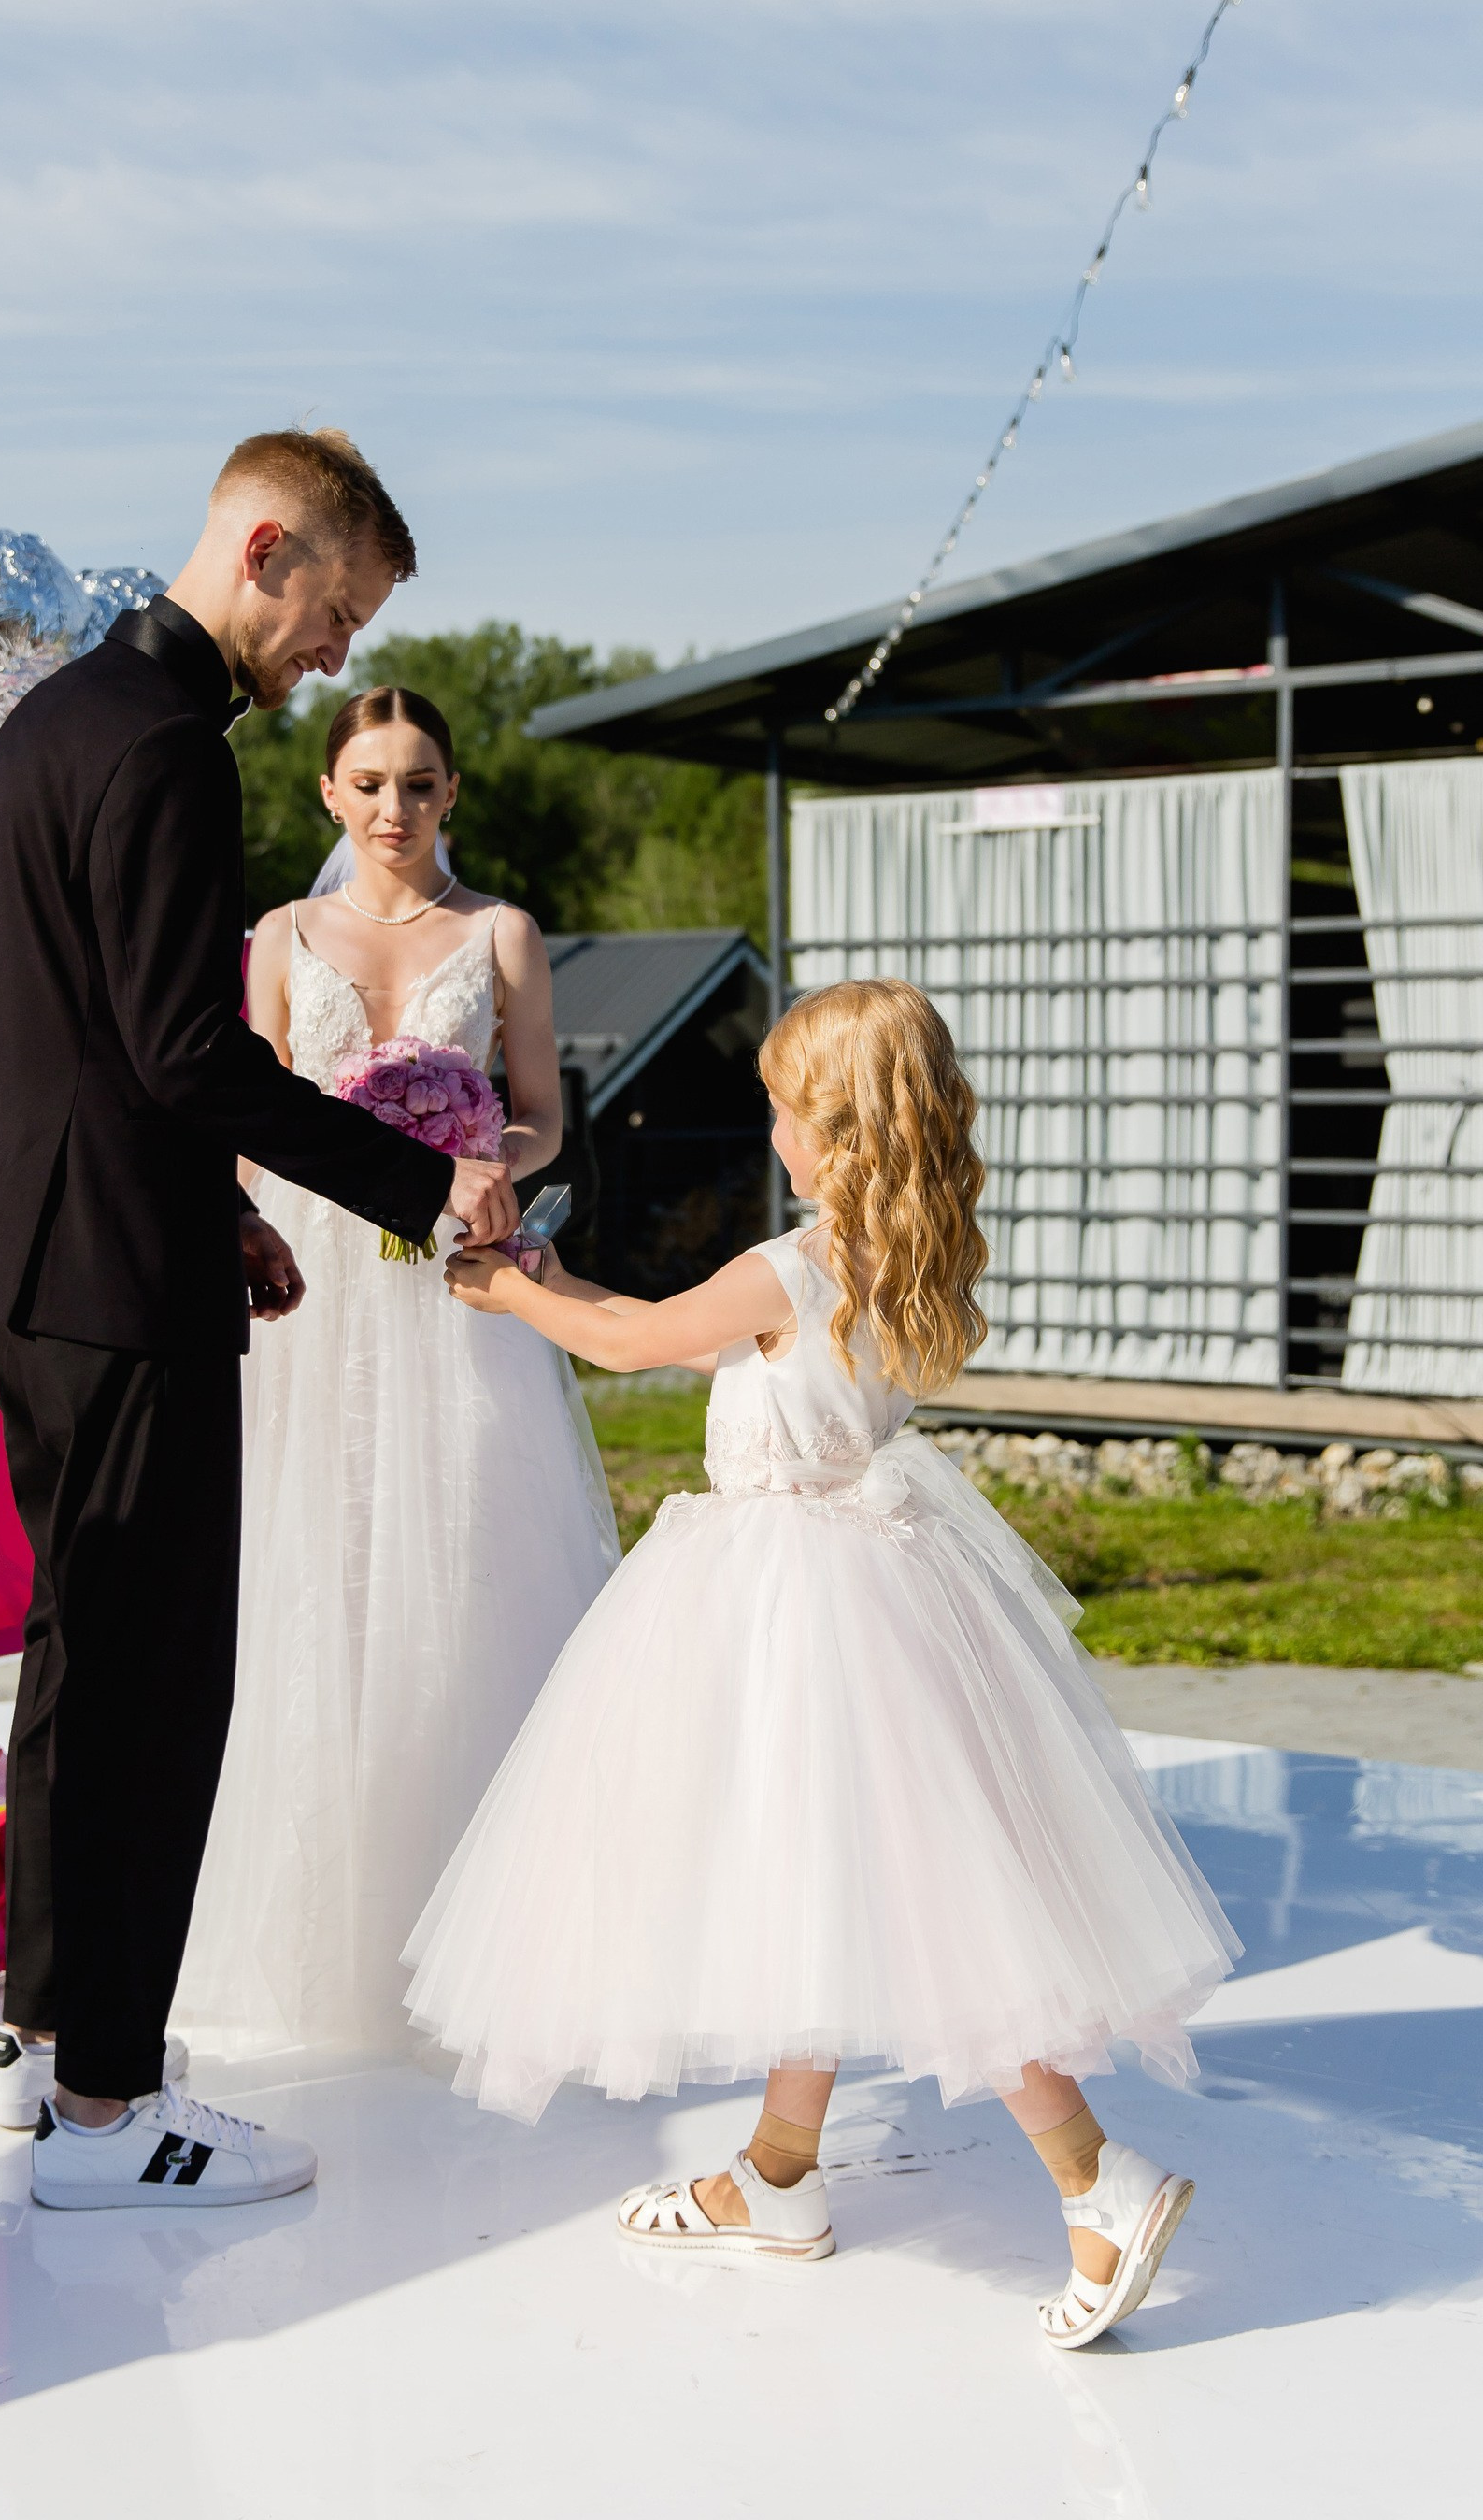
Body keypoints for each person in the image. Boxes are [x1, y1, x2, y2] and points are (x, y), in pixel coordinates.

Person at [411, 980, 1239, 2346]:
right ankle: (777, 2178)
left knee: (924, 1912)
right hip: (875, 1592)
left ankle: (1099, 2178)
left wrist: (508, 1293)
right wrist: (571, 1286)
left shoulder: (789, 1267)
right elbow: (688, 1332)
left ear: (835, 1132)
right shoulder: (892, 1258)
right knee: (824, 1887)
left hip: (788, 1606)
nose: (774, 1129)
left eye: (786, 1109)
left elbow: (632, 1344)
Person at [0, 431, 520, 2212]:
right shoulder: (164, 750)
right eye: (338, 607)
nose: (334, 650)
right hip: (111, 1277)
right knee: (158, 1680)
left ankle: (36, 2051)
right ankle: (111, 2110)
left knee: (80, 1655)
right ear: (264, 549)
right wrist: (415, 1180)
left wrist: (219, 1200)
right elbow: (179, 1047)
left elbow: (75, 1027)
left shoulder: (62, 718)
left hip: (35, 1256)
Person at [173, 685, 619, 2058]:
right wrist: (228, 1230)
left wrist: (489, 1150)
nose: (393, 807)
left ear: (454, 795)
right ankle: (308, 1945)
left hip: (443, 1277)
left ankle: (484, 1946)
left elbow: (546, 1119)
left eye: (419, 783)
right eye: (368, 781)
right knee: (310, 1570)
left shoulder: (501, 936)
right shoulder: (278, 937)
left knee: (462, 1569)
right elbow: (240, 1123)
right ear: (327, 793)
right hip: (311, 1284)